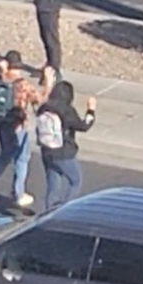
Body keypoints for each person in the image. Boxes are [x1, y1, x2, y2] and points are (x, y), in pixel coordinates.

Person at [0, 52, 50, 211]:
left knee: (5, 154)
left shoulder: (0, 79)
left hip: (2, 124)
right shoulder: (22, 84)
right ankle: (18, 194)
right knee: (22, 158)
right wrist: (48, 83)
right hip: (18, 126)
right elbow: (40, 100)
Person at [35, 80, 96, 210]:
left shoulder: (44, 108)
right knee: (75, 181)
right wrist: (91, 110)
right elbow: (83, 126)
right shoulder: (66, 110)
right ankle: (65, 209)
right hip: (64, 153)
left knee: (53, 184)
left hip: (46, 151)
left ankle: (49, 212)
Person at [29, 0, 67, 74]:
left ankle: (54, 67)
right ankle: (49, 62)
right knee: (44, 35)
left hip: (50, 5)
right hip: (40, 3)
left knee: (51, 37)